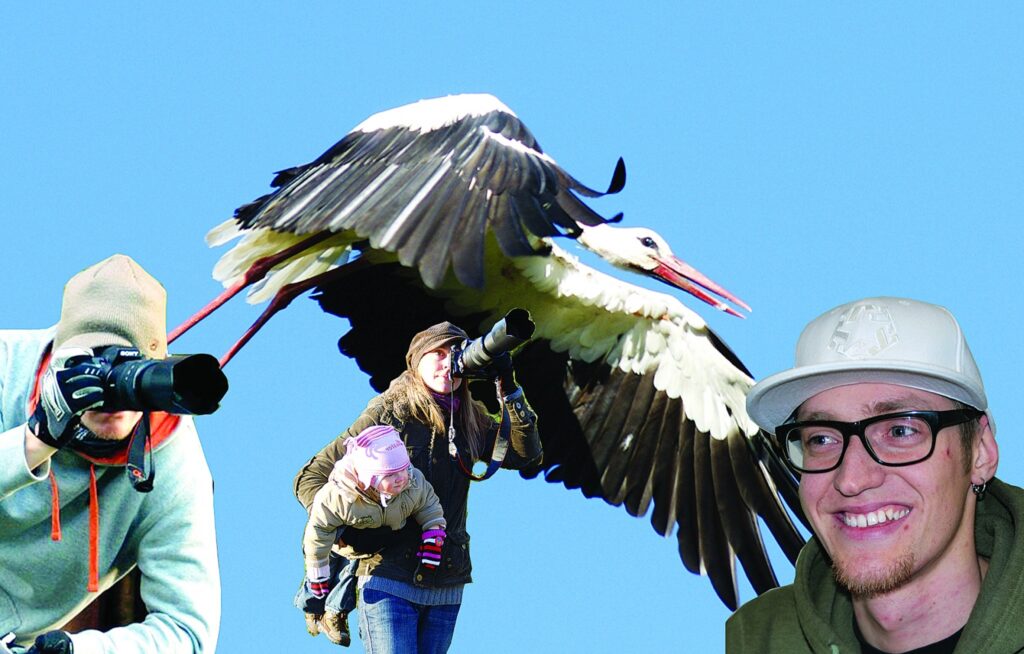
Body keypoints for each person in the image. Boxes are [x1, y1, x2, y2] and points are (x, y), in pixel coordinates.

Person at [727, 296, 1024, 653]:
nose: (851, 479)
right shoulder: (754, 640)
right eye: (821, 438)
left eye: (900, 431)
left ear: (980, 452)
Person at [0, 255, 219, 653]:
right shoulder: (5, 367)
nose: (111, 397)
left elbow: (187, 631)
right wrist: (34, 441)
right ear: (57, 362)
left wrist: (78, 651)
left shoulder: (174, 463)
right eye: (91, 365)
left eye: (127, 373)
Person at [294, 321, 542, 653]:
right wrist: (344, 534)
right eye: (436, 354)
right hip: (388, 574)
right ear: (417, 360)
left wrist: (508, 388)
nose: (445, 362)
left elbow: (525, 455)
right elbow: (309, 478)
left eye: (454, 354)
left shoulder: (471, 419)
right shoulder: (390, 412)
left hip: (446, 578)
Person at [297, 424, 447, 647]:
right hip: (339, 533)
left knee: (352, 572)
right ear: (370, 479)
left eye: (403, 470)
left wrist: (433, 534)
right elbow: (318, 532)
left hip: (370, 541)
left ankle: (333, 613)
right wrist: (316, 570)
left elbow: (429, 505)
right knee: (323, 573)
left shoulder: (413, 484)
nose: (401, 478)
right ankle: (311, 606)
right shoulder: (339, 497)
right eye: (391, 475)